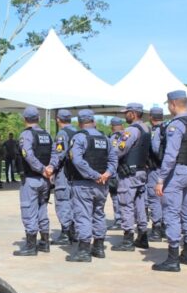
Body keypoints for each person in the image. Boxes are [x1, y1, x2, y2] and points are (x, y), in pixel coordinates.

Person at [152, 90, 187, 272]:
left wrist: (161, 179)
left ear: (173, 104)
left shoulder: (176, 125)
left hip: (175, 172)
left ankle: (173, 258)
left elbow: (170, 155)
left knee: (172, 213)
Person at [65, 109, 118, 262]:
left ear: (80, 123)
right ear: (93, 122)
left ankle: (84, 251)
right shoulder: (105, 138)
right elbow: (114, 159)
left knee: (83, 216)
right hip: (102, 184)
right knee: (99, 214)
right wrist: (106, 174)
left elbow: (77, 161)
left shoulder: (79, 137)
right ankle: (99, 247)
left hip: (84, 183)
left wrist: (94, 175)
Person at [13, 106, 58, 256]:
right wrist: (50, 168)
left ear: (24, 119)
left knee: (29, 210)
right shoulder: (47, 134)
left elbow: (28, 155)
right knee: (42, 210)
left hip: (32, 178)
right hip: (45, 180)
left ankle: (31, 246)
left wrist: (41, 169)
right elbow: (54, 153)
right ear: (38, 119)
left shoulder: (26, 135)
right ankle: (44, 242)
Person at [112, 103, 151, 252]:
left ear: (133, 114)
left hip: (129, 173)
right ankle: (142, 236)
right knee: (140, 204)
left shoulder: (131, 130)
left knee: (126, 205)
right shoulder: (147, 128)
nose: (125, 115)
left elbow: (119, 150)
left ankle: (128, 239)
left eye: (127, 113)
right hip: (141, 172)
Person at [52, 109, 78, 245]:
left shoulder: (62, 133)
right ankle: (73, 230)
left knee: (63, 200)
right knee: (73, 201)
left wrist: (51, 168)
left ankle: (65, 232)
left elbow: (59, 153)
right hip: (75, 173)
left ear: (58, 119)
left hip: (64, 172)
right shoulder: (76, 132)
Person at [146, 107, 166, 242]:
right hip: (167, 168)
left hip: (156, 168)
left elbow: (154, 148)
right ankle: (164, 227)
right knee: (165, 199)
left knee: (154, 199)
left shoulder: (156, 130)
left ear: (151, 117)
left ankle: (157, 228)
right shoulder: (168, 127)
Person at [107, 119, 124, 230]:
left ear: (112, 127)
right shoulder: (126, 135)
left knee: (115, 196)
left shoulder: (114, 138)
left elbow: (113, 154)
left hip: (115, 171)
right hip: (125, 170)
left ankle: (118, 220)